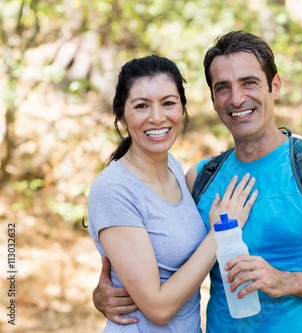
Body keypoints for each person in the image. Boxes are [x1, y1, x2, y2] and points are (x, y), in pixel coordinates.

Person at [93, 31, 302, 333]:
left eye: (249, 82)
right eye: (223, 88)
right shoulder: (198, 178)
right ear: (213, 100)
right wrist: (107, 293)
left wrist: (285, 281)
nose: (236, 98)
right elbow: (159, 258)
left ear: (275, 85)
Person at [87, 54, 258, 333]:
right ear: (122, 115)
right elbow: (158, 308)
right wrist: (221, 232)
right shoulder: (114, 189)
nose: (157, 117)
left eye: (168, 103)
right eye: (141, 105)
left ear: (182, 109)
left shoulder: (174, 168)